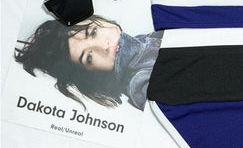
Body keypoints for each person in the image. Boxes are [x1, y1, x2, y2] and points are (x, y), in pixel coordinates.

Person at [14, 15, 163, 111]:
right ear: (93, 72)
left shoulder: (145, 39)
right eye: (89, 57)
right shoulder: (138, 84)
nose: (103, 47)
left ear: (103, 21)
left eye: (93, 33)